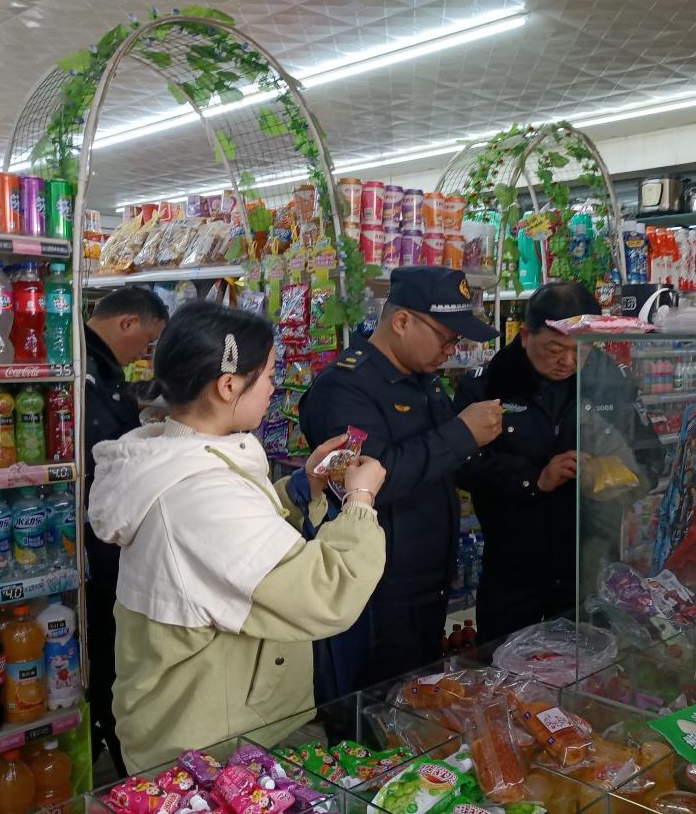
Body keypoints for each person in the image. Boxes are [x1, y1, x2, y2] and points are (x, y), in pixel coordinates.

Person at [87, 302, 387, 774]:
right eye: (267, 375)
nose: (273, 388)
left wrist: (303, 486)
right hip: (213, 747)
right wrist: (361, 500)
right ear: (228, 386)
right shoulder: (200, 495)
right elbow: (327, 592)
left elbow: (237, 546)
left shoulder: (183, 458)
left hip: (209, 718)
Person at [299, 266, 503, 698]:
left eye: (456, 341)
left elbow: (444, 465)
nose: (451, 350)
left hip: (427, 581)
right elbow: (370, 480)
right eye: (445, 337)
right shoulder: (343, 388)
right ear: (402, 321)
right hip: (375, 590)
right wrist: (461, 434)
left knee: (414, 705)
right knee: (370, 707)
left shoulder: (423, 381)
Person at [454, 282, 664, 641]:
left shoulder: (609, 380)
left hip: (590, 566)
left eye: (581, 350)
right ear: (525, 336)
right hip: (513, 567)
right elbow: (463, 465)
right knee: (505, 662)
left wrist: (614, 477)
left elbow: (650, 458)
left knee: (589, 660)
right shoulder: (487, 386)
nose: (568, 361)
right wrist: (534, 479)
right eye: (555, 349)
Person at [82, 287, 169, 776]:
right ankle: (119, 757)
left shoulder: (98, 365)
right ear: (128, 323)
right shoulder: (83, 367)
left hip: (101, 538)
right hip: (94, 540)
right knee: (107, 652)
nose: (143, 353)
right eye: (146, 341)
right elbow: (104, 456)